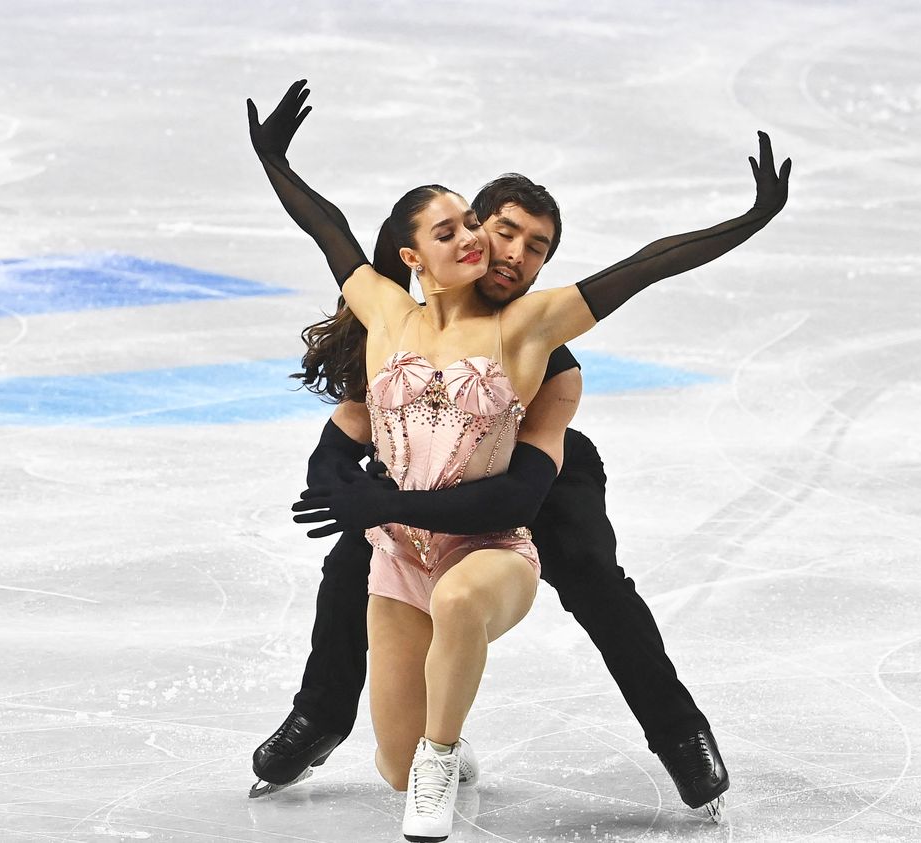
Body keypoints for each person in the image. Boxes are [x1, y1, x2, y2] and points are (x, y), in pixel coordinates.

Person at [246, 80, 789, 841]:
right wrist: (344, 476)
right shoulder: (401, 310)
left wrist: (750, 218)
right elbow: (361, 393)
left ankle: (679, 734)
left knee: (596, 578)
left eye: (537, 247)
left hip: (539, 476)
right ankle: (320, 714)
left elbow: (644, 269)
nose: (513, 253)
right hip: (422, 469)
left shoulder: (547, 346)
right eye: (499, 231)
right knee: (353, 561)